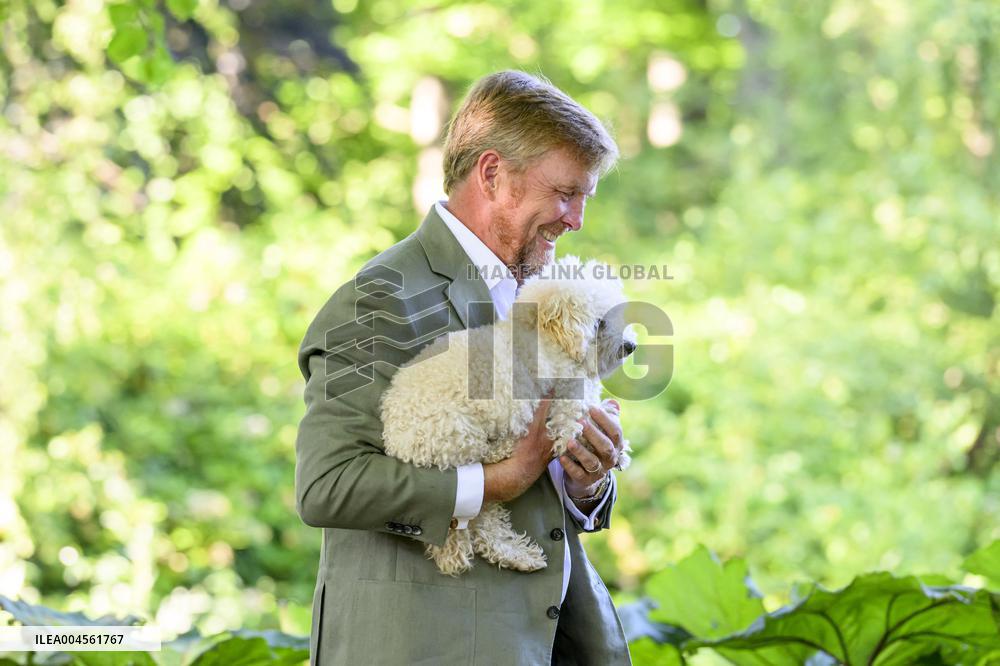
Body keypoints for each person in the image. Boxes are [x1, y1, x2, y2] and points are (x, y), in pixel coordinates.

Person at [295, 70, 631, 665]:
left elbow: (543, 489)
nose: (576, 218)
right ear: (493, 173)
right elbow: (328, 486)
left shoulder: (547, 293)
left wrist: (584, 481)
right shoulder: (376, 299)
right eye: (564, 193)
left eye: (585, 198)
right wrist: (495, 481)